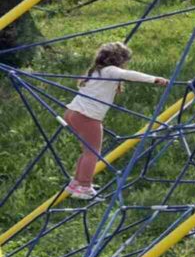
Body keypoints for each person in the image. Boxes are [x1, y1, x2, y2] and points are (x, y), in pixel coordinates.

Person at [64, 42, 168, 200]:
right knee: (92, 153)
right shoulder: (111, 71)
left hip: (73, 112)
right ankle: (84, 187)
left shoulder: (96, 71)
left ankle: (76, 183)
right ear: (120, 60)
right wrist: (155, 79)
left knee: (87, 152)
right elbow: (131, 75)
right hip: (87, 115)